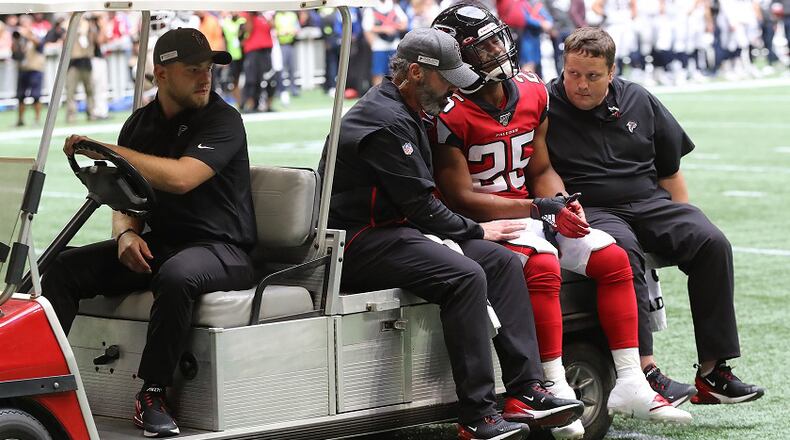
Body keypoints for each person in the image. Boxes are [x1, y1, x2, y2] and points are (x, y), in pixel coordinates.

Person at [430, 5, 691, 438]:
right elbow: (460, 196)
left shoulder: (532, 90)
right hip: (486, 222)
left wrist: (561, 203)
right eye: (483, 47)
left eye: (498, 38)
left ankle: (630, 380)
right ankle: (552, 384)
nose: (498, 51)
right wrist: (536, 210)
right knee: (543, 263)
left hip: (530, 210)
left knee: (610, 255)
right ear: (457, 58)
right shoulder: (448, 110)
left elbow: (541, 170)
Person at [319, 27, 584, 440]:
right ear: (416, 73)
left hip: (394, 231)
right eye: (447, 79)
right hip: (360, 241)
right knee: (466, 274)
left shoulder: (403, 108)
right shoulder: (385, 122)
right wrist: (478, 228)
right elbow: (423, 209)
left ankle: (525, 391)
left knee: (499, 260)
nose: (452, 92)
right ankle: (477, 415)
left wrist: (480, 234)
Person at [42, 28, 256, 438]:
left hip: (224, 247)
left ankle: (154, 392)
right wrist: (125, 235)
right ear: (161, 74)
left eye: (208, 69)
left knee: (176, 274)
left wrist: (109, 149)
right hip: (166, 244)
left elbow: (181, 178)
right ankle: (45, 380)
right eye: (194, 69)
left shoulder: (223, 120)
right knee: (65, 268)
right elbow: (126, 202)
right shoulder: (140, 125)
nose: (205, 78)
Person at [544, 26, 765, 407]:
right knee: (621, 249)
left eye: (592, 76)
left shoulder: (638, 99)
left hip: (649, 201)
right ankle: (646, 372)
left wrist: (687, 224)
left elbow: (670, 170)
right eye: (573, 74)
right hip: (592, 206)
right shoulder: (546, 104)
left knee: (711, 242)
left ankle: (713, 372)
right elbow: (539, 170)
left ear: (612, 73)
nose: (580, 84)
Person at [12, 14, 46, 127]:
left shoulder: (37, 33)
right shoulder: (20, 38)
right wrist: (16, 40)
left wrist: (28, 35)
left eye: (24, 23)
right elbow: (15, 54)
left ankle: (37, 119)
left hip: (35, 68)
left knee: (36, 95)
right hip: (23, 69)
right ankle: (20, 120)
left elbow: (40, 45)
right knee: (20, 96)